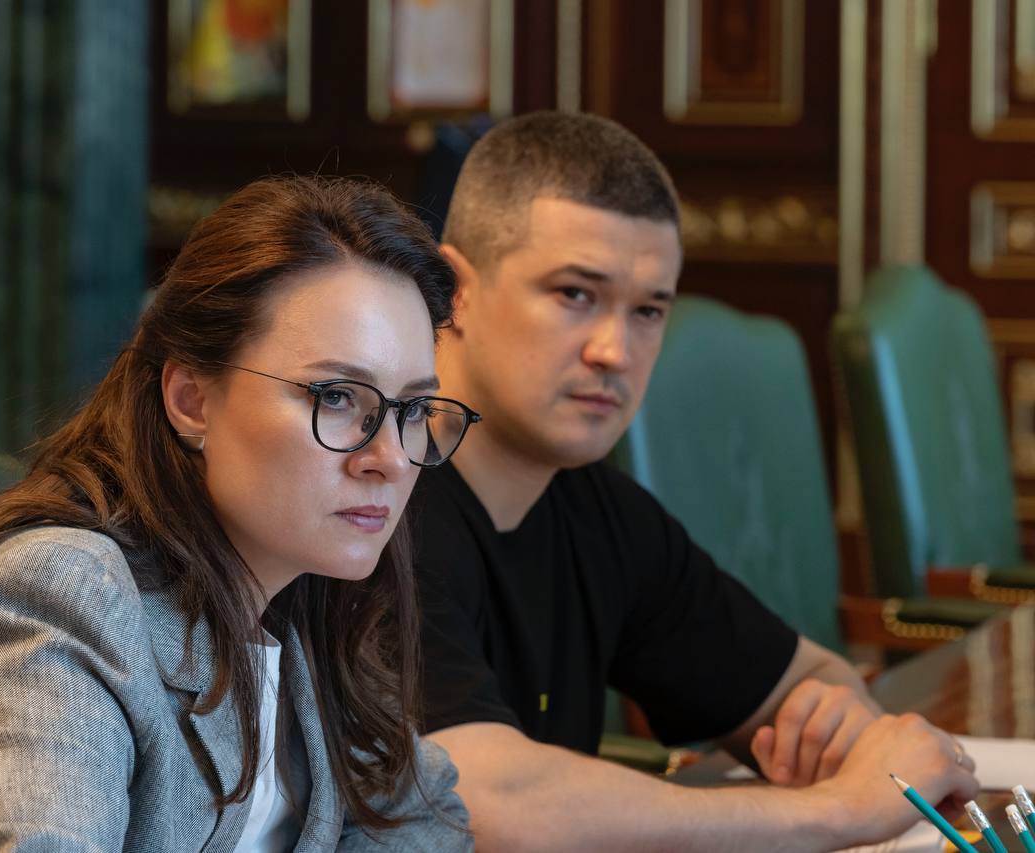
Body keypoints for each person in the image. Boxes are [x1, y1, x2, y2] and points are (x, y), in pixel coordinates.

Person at [0, 176, 477, 851]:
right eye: (336, 396)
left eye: (414, 409)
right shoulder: (54, 599)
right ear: (191, 400)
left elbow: (424, 819)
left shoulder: (301, 592)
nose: (392, 457)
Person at [410, 111, 979, 851]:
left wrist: (833, 719)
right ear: (453, 289)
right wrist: (836, 810)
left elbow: (805, 680)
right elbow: (477, 798)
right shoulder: (372, 505)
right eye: (575, 294)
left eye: (649, 310)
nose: (616, 350)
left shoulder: (599, 510)